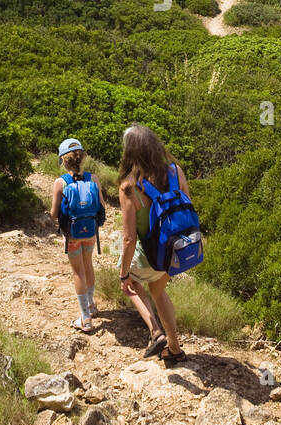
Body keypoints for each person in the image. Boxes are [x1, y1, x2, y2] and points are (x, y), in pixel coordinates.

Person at [118, 123, 187, 366]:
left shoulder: (129, 187)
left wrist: (124, 274)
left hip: (151, 255)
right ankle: (175, 349)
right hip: (174, 252)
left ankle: (155, 331)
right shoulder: (175, 172)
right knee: (158, 291)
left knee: (132, 285)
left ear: (130, 152)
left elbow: (129, 239)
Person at [50, 137, 105, 335]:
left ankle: (86, 319)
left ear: (63, 160)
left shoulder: (60, 182)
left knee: (77, 272)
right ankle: (91, 305)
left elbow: (54, 213)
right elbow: (102, 206)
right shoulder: (94, 179)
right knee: (88, 265)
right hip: (90, 231)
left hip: (71, 234)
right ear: (81, 158)